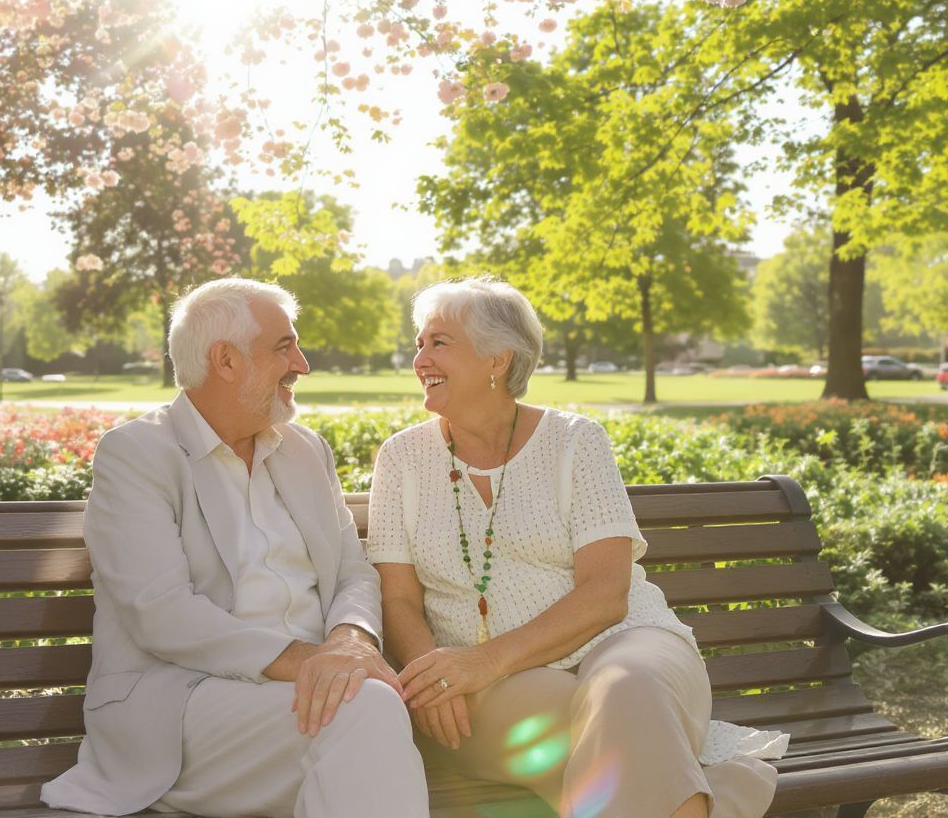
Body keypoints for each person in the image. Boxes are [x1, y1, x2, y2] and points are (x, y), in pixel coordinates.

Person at [367, 277, 785, 818]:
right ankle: (709, 799)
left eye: (438, 342)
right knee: (632, 737)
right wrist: (436, 674)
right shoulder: (401, 459)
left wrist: (485, 660)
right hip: (489, 684)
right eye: (420, 342)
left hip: (626, 640)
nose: (419, 357)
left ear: (499, 359)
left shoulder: (574, 441)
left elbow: (607, 593)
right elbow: (397, 598)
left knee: (627, 692)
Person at [41, 278, 429, 818]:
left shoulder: (304, 449)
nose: (302, 363)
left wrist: (349, 640)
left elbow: (353, 573)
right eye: (283, 347)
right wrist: (311, 662)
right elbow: (161, 612)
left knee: (358, 721)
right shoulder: (137, 453)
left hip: (308, 702)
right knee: (364, 709)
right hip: (178, 710)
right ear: (225, 360)